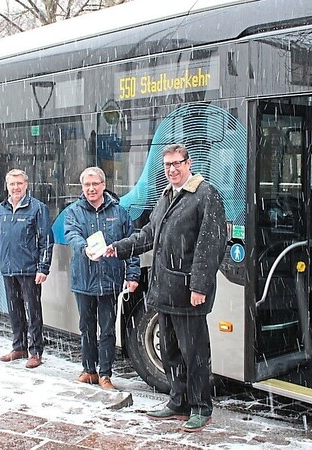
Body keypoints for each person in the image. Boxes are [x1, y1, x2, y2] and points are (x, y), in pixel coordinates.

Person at [105, 144, 227, 432]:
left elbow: (210, 246)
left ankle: (201, 407)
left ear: (189, 163)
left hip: (188, 293)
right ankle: (178, 401)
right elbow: (148, 234)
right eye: (168, 165)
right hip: (164, 292)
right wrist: (117, 248)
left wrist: (199, 286)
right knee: (170, 351)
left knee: (194, 353)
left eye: (177, 163)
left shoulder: (204, 195)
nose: (172, 169)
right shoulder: (167, 195)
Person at [64, 167, 140, 390]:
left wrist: (132, 274)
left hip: (110, 280)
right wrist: (84, 248)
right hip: (84, 281)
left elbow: (131, 244)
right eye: (86, 185)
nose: (90, 189)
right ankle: (89, 370)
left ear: (103, 185)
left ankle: (105, 373)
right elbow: (72, 235)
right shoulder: (74, 212)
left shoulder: (119, 211)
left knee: (107, 329)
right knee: (86, 327)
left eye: (95, 184)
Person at [0, 169, 53, 369]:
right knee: (14, 310)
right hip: (8, 269)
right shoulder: (1, 208)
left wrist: (43, 267)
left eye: (19, 183)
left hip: (29, 269)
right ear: (7, 186)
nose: (15, 187)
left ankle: (35, 351)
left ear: (26, 185)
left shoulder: (37, 208)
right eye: (12, 184)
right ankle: (19, 347)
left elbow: (46, 240)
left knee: (33, 311)